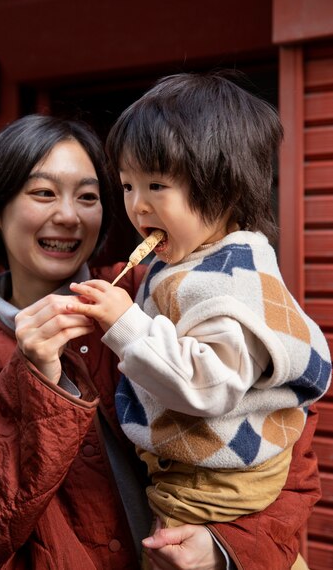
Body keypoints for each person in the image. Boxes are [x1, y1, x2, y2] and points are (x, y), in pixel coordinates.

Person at [0, 113, 323, 570]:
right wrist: (29, 381)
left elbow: (286, 445)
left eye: (88, 197)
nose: (69, 216)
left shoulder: (158, 292)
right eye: (44, 193)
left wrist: (225, 548)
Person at [65, 74, 331, 552]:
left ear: (224, 190)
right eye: (127, 185)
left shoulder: (228, 284)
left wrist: (126, 325)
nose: (136, 204)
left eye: (157, 184)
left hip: (213, 484)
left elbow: (210, 384)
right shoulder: (191, 264)